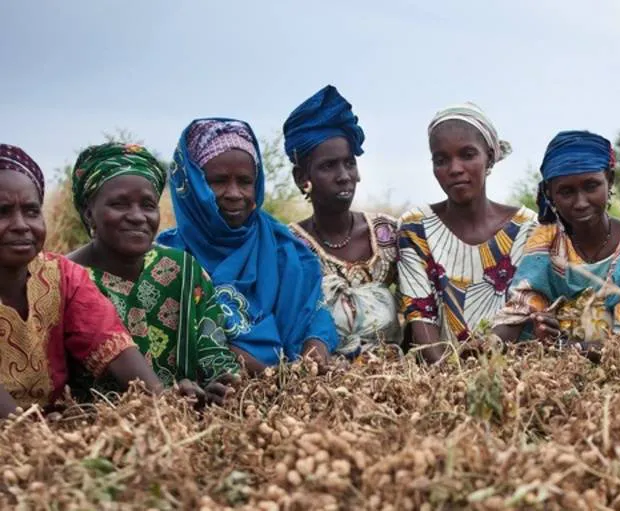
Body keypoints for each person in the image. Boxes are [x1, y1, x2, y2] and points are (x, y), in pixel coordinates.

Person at [157, 119, 338, 374]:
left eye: (244, 181)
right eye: (218, 181)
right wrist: (268, 374)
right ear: (192, 185)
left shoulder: (286, 248)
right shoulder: (165, 260)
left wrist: (315, 347)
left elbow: (314, 313)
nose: (234, 193)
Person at [67, 142, 241, 405]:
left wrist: (218, 387)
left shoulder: (182, 269)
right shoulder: (65, 278)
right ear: (89, 213)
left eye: (148, 205)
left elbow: (214, 352)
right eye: (119, 204)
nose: (137, 217)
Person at [0, 144, 162, 417]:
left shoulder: (61, 275)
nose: (21, 225)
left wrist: (164, 407)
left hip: (48, 429)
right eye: (3, 211)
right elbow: (12, 425)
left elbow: (112, 343)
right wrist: (33, 437)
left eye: (31, 211)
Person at [493, 131, 620, 353]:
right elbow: (520, 309)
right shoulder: (547, 240)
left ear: (609, 180)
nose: (581, 202)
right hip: (551, 374)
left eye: (591, 186)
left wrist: (560, 346)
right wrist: (489, 346)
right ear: (549, 193)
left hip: (618, 375)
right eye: (566, 192)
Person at [397, 103, 537, 363]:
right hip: (435, 376)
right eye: (441, 160)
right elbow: (420, 313)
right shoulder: (415, 228)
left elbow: (520, 310)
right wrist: (445, 381)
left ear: (490, 157)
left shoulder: (526, 228)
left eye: (468, 155)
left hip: (512, 375)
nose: (455, 168)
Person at [284, 85, 400, 357]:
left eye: (349, 163)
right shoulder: (290, 245)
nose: (344, 175)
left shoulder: (388, 233)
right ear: (302, 178)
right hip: (324, 387)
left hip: (399, 382)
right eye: (328, 166)